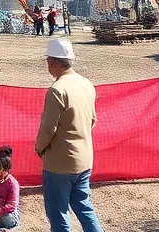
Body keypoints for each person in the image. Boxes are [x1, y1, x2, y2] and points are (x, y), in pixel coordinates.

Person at [35, 38, 103, 232]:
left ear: (54, 62)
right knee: (83, 205)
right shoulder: (86, 84)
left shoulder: (57, 90)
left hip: (60, 164)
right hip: (84, 159)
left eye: (48, 61)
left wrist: (39, 148)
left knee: (58, 212)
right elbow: (92, 120)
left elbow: (48, 129)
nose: (47, 65)